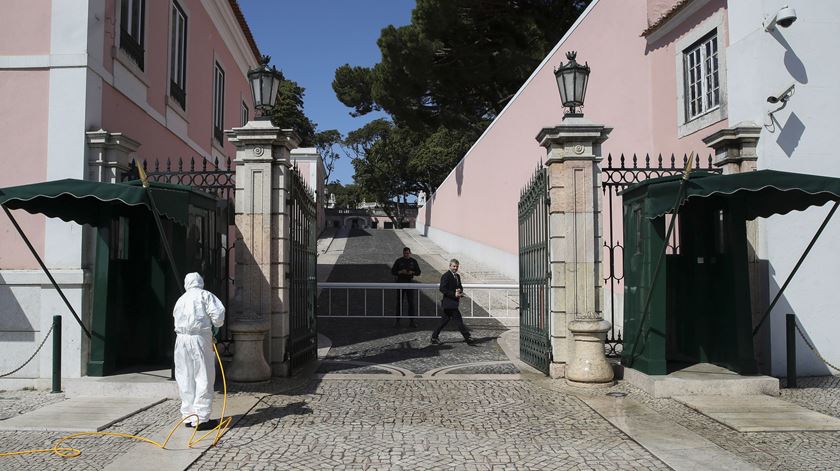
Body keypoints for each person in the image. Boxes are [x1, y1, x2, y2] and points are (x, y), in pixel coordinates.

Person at [173, 272, 225, 431]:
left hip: (181, 339)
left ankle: (188, 416)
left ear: (186, 283)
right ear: (200, 282)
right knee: (203, 376)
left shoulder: (181, 299)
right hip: (199, 338)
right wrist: (215, 325)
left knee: (185, 376)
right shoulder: (206, 295)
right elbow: (218, 315)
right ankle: (201, 418)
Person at [431, 259, 473, 344]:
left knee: (444, 321)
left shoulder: (457, 276)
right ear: (450, 266)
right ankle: (467, 337)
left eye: (457, 266)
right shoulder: (446, 276)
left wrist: (459, 291)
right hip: (449, 303)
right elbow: (442, 288)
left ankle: (434, 337)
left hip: (453, 303)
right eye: (454, 266)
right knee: (459, 320)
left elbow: (460, 286)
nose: (455, 268)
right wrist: (454, 294)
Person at [391, 247, 421, 327]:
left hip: (409, 283)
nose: (406, 255)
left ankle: (412, 321)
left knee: (411, 302)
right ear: (403, 253)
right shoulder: (399, 261)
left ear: (410, 253)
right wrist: (400, 272)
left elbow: (418, 272)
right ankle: (397, 321)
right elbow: (393, 271)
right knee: (399, 302)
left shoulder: (413, 261)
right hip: (400, 282)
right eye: (405, 253)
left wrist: (412, 272)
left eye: (407, 253)